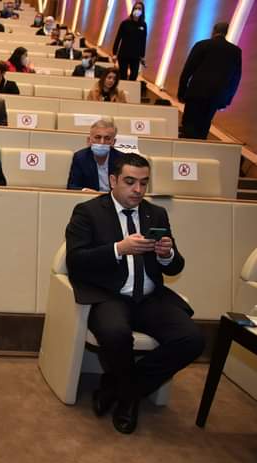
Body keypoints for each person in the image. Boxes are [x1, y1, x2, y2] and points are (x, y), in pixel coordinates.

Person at [65, 153, 204, 434]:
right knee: (115, 334)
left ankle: (120, 390)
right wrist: (119, 249)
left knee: (192, 340)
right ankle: (129, 399)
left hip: (150, 297)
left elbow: (175, 266)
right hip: (109, 295)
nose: (138, 190)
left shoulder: (156, 213)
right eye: (130, 182)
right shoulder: (88, 212)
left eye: (143, 183)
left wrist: (166, 254)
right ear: (113, 180)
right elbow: (76, 260)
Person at [178, 22, 242, 140]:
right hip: (216, 96)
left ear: (214, 30)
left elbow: (188, 70)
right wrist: (227, 100)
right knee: (203, 127)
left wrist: (181, 93)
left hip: (195, 93)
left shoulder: (201, 45)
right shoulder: (235, 51)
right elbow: (235, 79)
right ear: (226, 32)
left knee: (188, 126)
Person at [67, 120, 123, 192]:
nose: (102, 142)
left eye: (107, 138)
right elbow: (72, 186)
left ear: (113, 142)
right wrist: (85, 190)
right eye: (98, 137)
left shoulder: (121, 159)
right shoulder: (80, 157)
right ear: (89, 140)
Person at [112, 2, 147, 81]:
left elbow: (143, 41)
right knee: (123, 76)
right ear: (133, 10)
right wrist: (114, 53)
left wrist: (142, 56)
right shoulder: (125, 23)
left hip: (135, 56)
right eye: (136, 8)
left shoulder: (143, 25)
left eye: (139, 9)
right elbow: (118, 38)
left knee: (134, 75)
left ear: (142, 11)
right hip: (123, 54)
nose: (137, 10)